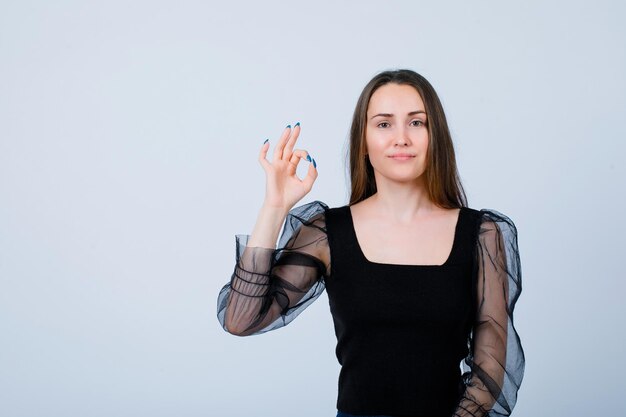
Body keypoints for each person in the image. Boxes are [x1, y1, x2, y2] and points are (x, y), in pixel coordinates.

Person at [216, 69, 525, 417]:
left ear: (435, 135)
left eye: (417, 123)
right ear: (362, 140)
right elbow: (240, 320)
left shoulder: (481, 235)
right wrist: (274, 208)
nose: (401, 138)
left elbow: (489, 372)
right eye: (383, 124)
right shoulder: (327, 233)